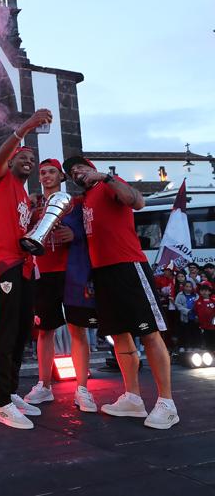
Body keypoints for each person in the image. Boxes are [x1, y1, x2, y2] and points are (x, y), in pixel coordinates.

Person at [64, 155, 178, 429]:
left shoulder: (108, 184)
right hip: (102, 272)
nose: (76, 172)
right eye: (71, 172)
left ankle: (167, 403)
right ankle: (133, 397)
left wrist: (106, 177)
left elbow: (138, 201)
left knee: (149, 332)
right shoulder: (84, 200)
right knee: (119, 335)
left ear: (91, 168)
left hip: (127, 265)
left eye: (80, 167)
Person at [0, 109, 52, 430]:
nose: (28, 159)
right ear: (11, 162)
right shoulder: (0, 179)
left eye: (32, 158)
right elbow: (0, 156)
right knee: (4, 330)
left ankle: (10, 392)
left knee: (22, 331)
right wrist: (26, 127)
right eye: (22, 155)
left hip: (24, 266)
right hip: (2, 263)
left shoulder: (24, 194)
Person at [24, 158, 98, 413]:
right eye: (42, 173)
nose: (46, 176)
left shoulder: (75, 204)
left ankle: (82, 388)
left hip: (70, 272)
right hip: (43, 273)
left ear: (61, 177)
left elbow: (86, 229)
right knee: (45, 331)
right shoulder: (33, 206)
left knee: (77, 329)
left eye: (51, 172)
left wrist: (74, 235)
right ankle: (44, 385)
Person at [175, 281, 199, 351]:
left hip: (194, 317)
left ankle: (195, 346)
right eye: (187, 286)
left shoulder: (195, 295)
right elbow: (177, 304)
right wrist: (187, 311)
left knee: (194, 332)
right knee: (185, 332)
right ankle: (184, 346)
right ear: (183, 287)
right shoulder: (180, 295)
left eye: (190, 286)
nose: (188, 288)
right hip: (185, 317)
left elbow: (199, 304)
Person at [194, 282, 215, 350]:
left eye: (206, 290)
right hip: (203, 326)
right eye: (202, 290)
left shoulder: (213, 301)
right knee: (207, 342)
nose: (204, 292)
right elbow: (196, 312)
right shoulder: (197, 302)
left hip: (213, 326)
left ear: (209, 292)